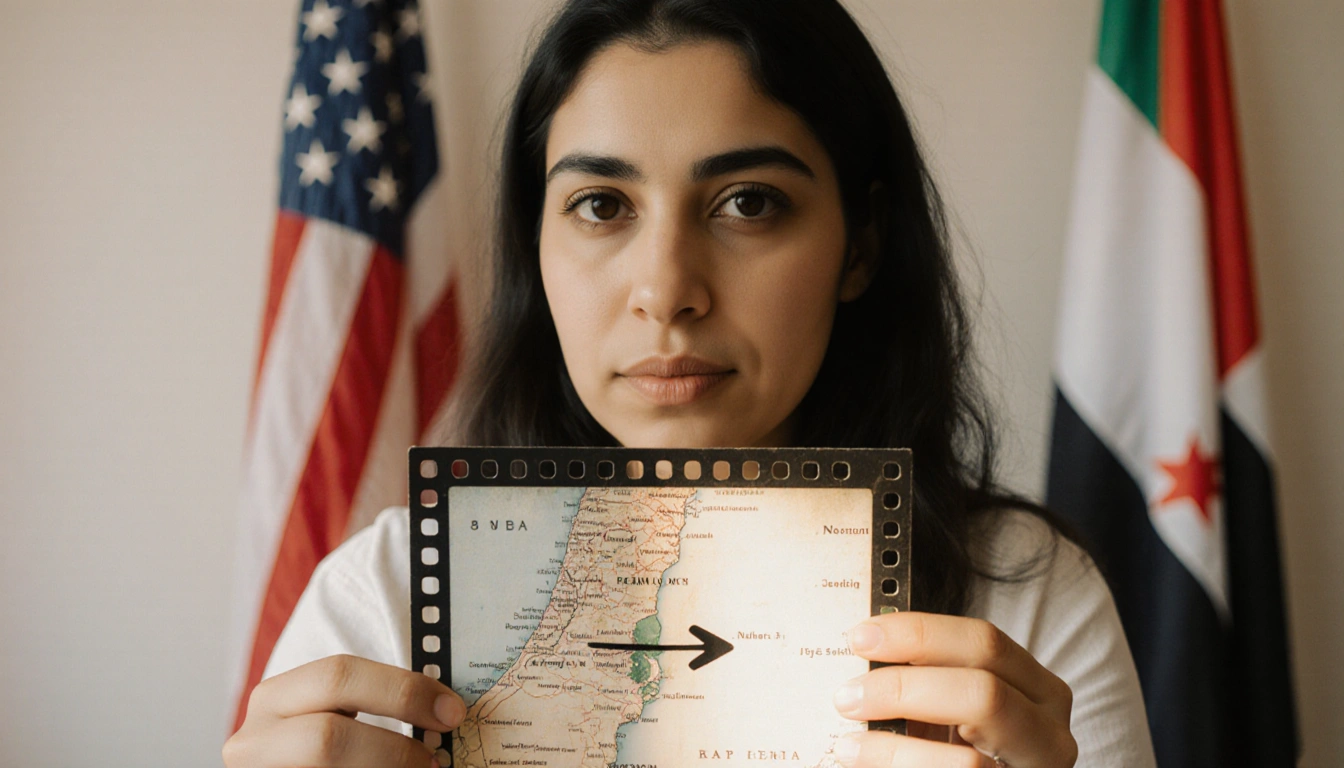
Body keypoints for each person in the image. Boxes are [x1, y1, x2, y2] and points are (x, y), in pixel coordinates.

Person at [223, 1, 1156, 766]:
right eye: (600, 206)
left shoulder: (1027, 602)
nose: (667, 290)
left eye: (748, 203)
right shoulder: (381, 596)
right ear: (534, 246)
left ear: (860, 245)